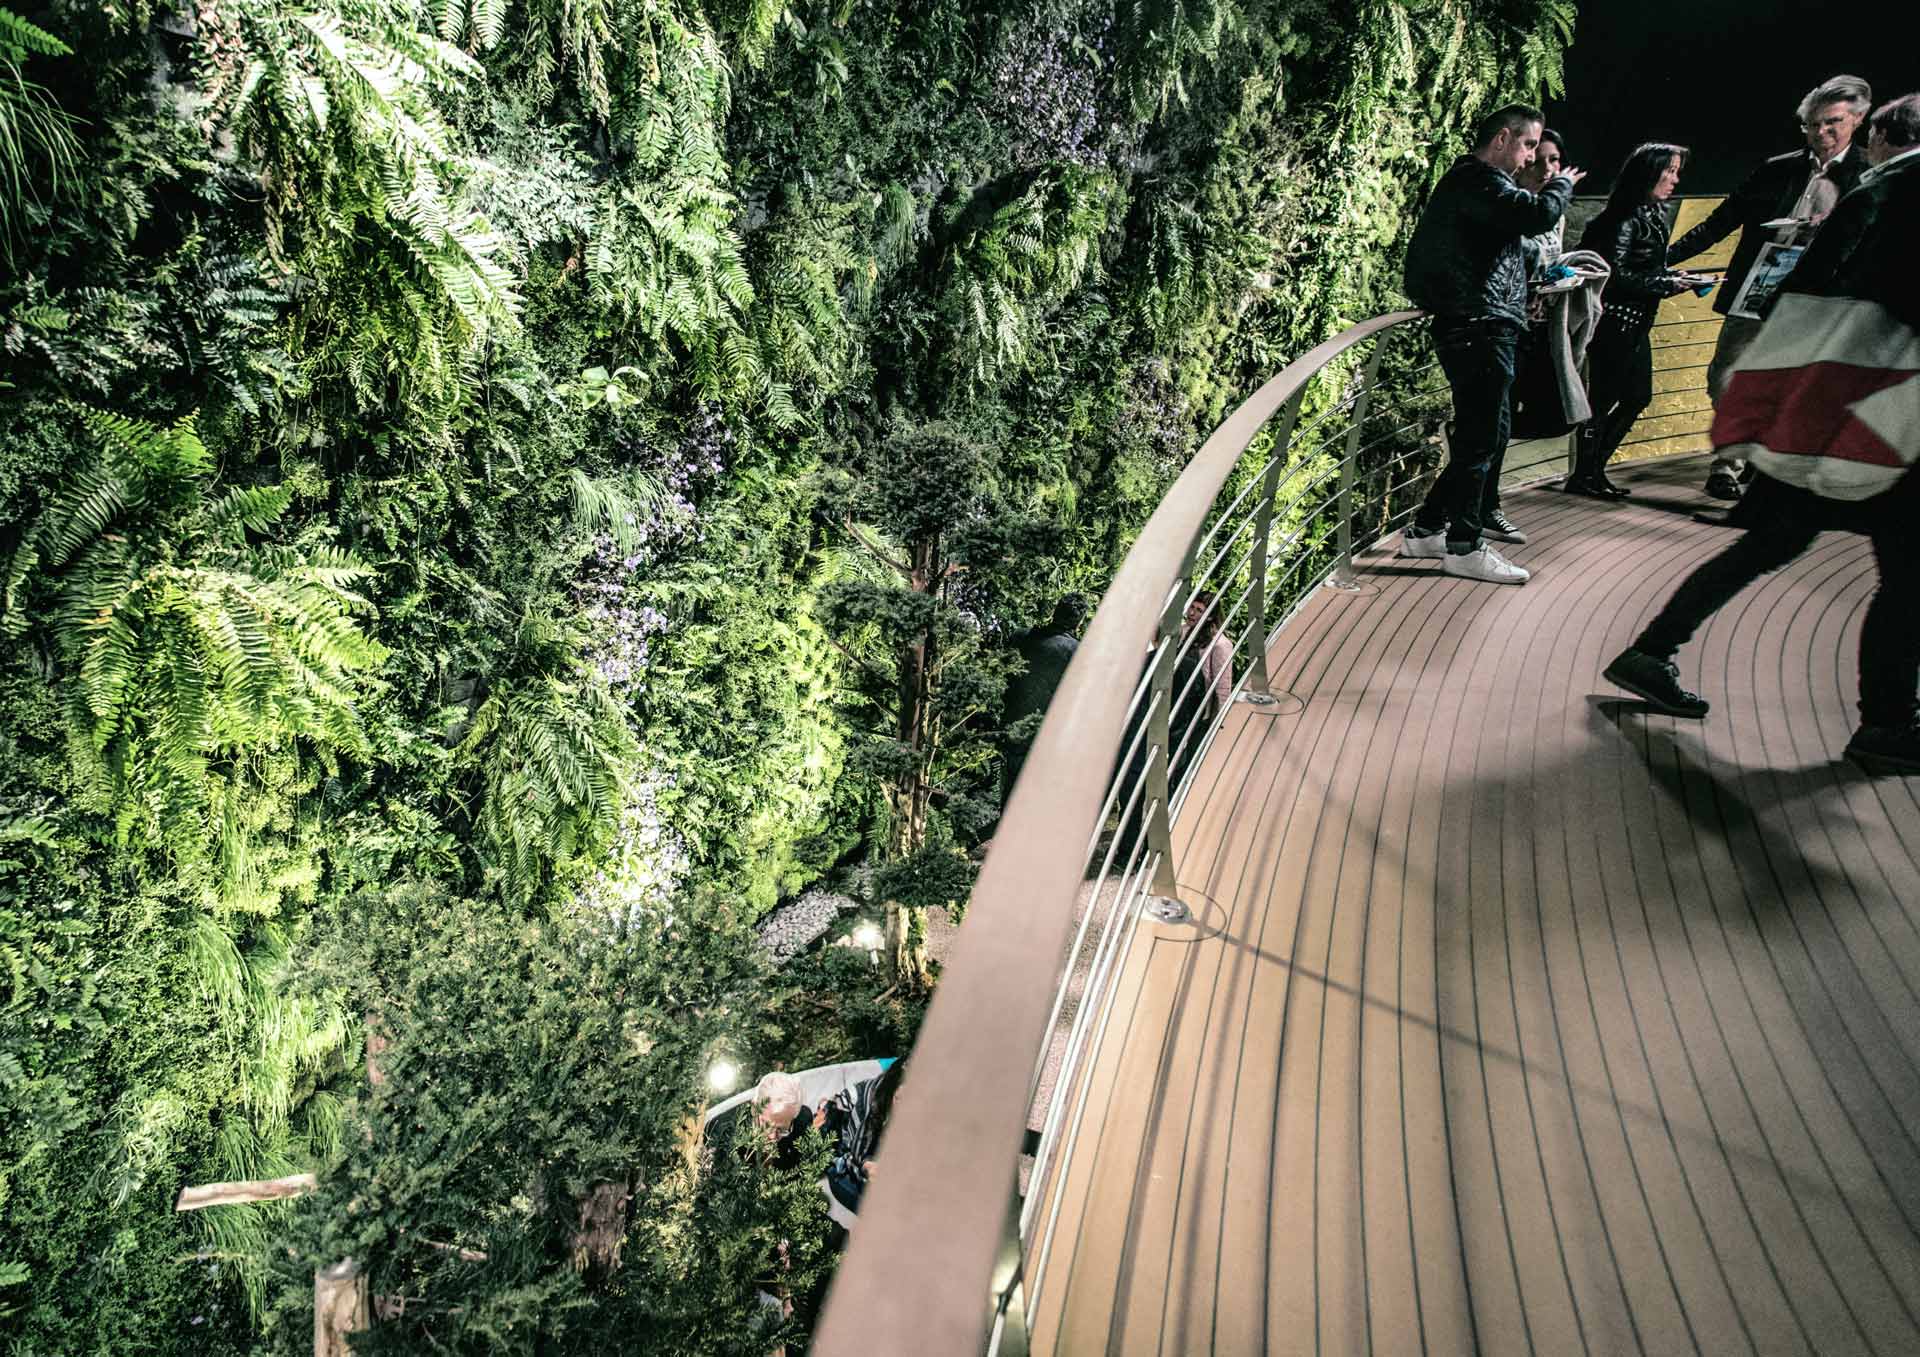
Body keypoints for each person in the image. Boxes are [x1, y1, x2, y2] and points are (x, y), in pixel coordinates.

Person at [1602, 93, 1920, 775]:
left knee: (1771, 542)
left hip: (1822, 406)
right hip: (1881, 413)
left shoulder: (1870, 191)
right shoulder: (1897, 192)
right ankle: (1887, 723)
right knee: (1908, 574)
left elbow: (1801, 288)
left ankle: (1651, 650)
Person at [1400, 103, 1584, 584]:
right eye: (1528, 145)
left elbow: (1506, 242)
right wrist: (1564, 184)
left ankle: (1424, 531)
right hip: (1478, 326)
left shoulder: (1474, 186)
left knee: (1485, 435)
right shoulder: (1481, 181)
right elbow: (1539, 214)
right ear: (1502, 138)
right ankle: (1463, 546)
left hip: (1481, 323)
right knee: (1483, 437)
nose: (1530, 159)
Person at [1667, 74, 1873, 500]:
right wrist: (1662, 259)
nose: (1822, 133)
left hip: (1821, 296)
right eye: (1813, 124)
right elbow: (1718, 223)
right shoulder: (1777, 169)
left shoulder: (1869, 175)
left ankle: (1738, 467)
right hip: (1759, 286)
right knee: (1724, 377)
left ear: (1856, 120)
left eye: (1832, 122)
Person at [1565, 143, 1698, 498]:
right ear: (1647, 173)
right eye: (1669, 171)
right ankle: (1585, 474)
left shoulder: (1650, 214)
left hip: (1635, 322)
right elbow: (1615, 275)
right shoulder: (1623, 219)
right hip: (1615, 323)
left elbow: (1643, 266)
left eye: (1676, 171)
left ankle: (1592, 471)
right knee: (1605, 400)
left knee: (1636, 396)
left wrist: (1669, 275)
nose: (1675, 179)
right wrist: (1667, 283)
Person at [999, 594, 1086, 807]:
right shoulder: (1078, 652)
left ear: (1055, 611)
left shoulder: (1019, 637)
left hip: (1014, 725)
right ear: (1079, 621)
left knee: (1011, 790)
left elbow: (1003, 678)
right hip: (1050, 736)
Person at [1182, 590, 1233, 718]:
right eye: (1191, 607)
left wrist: (1217, 724)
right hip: (1178, 701)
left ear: (1210, 617)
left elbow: (1222, 689)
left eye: (1199, 610)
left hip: (1197, 711)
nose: (1192, 613)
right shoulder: (1185, 630)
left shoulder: (1221, 644)